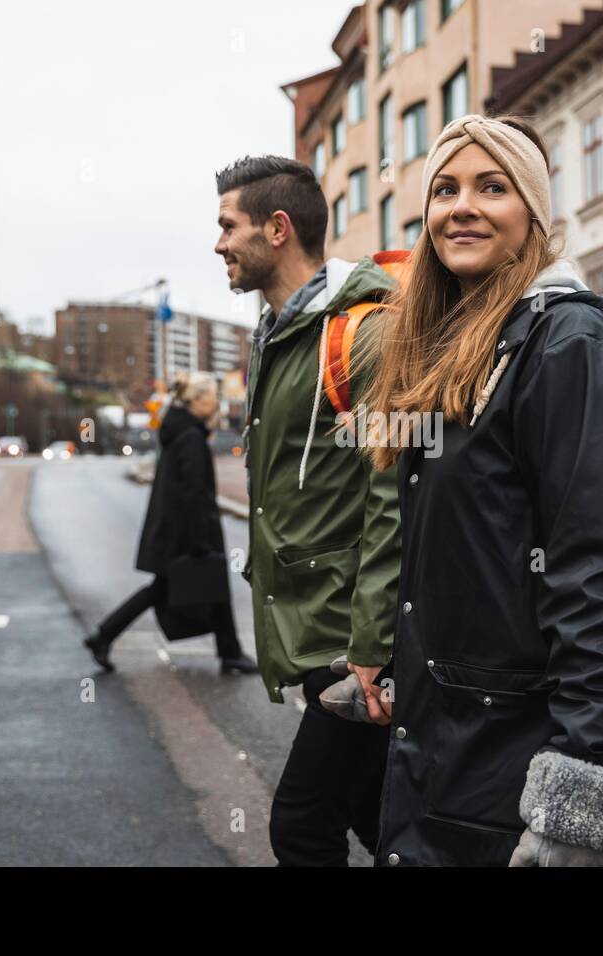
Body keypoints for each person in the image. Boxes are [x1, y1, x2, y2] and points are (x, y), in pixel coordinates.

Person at [361, 113, 603, 867]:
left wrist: (584, 791)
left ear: (533, 212)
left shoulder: (570, 345)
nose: (461, 206)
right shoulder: (459, 343)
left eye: (492, 187)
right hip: (455, 748)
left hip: (517, 759)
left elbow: (598, 572)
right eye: (445, 189)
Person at [214, 155, 402, 865]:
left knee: (301, 823)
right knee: (378, 817)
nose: (219, 243)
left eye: (228, 226)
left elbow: (391, 499)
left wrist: (372, 649)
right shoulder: (273, 336)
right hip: (308, 627)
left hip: (347, 637)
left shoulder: (365, 333)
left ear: (279, 228)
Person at [82, 372, 257, 674]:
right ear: (197, 401)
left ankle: (104, 636)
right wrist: (201, 539)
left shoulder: (181, 430)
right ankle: (229, 653)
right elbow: (193, 492)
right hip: (186, 533)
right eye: (213, 397)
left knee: (172, 589)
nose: (216, 403)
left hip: (175, 530)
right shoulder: (190, 437)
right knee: (200, 585)